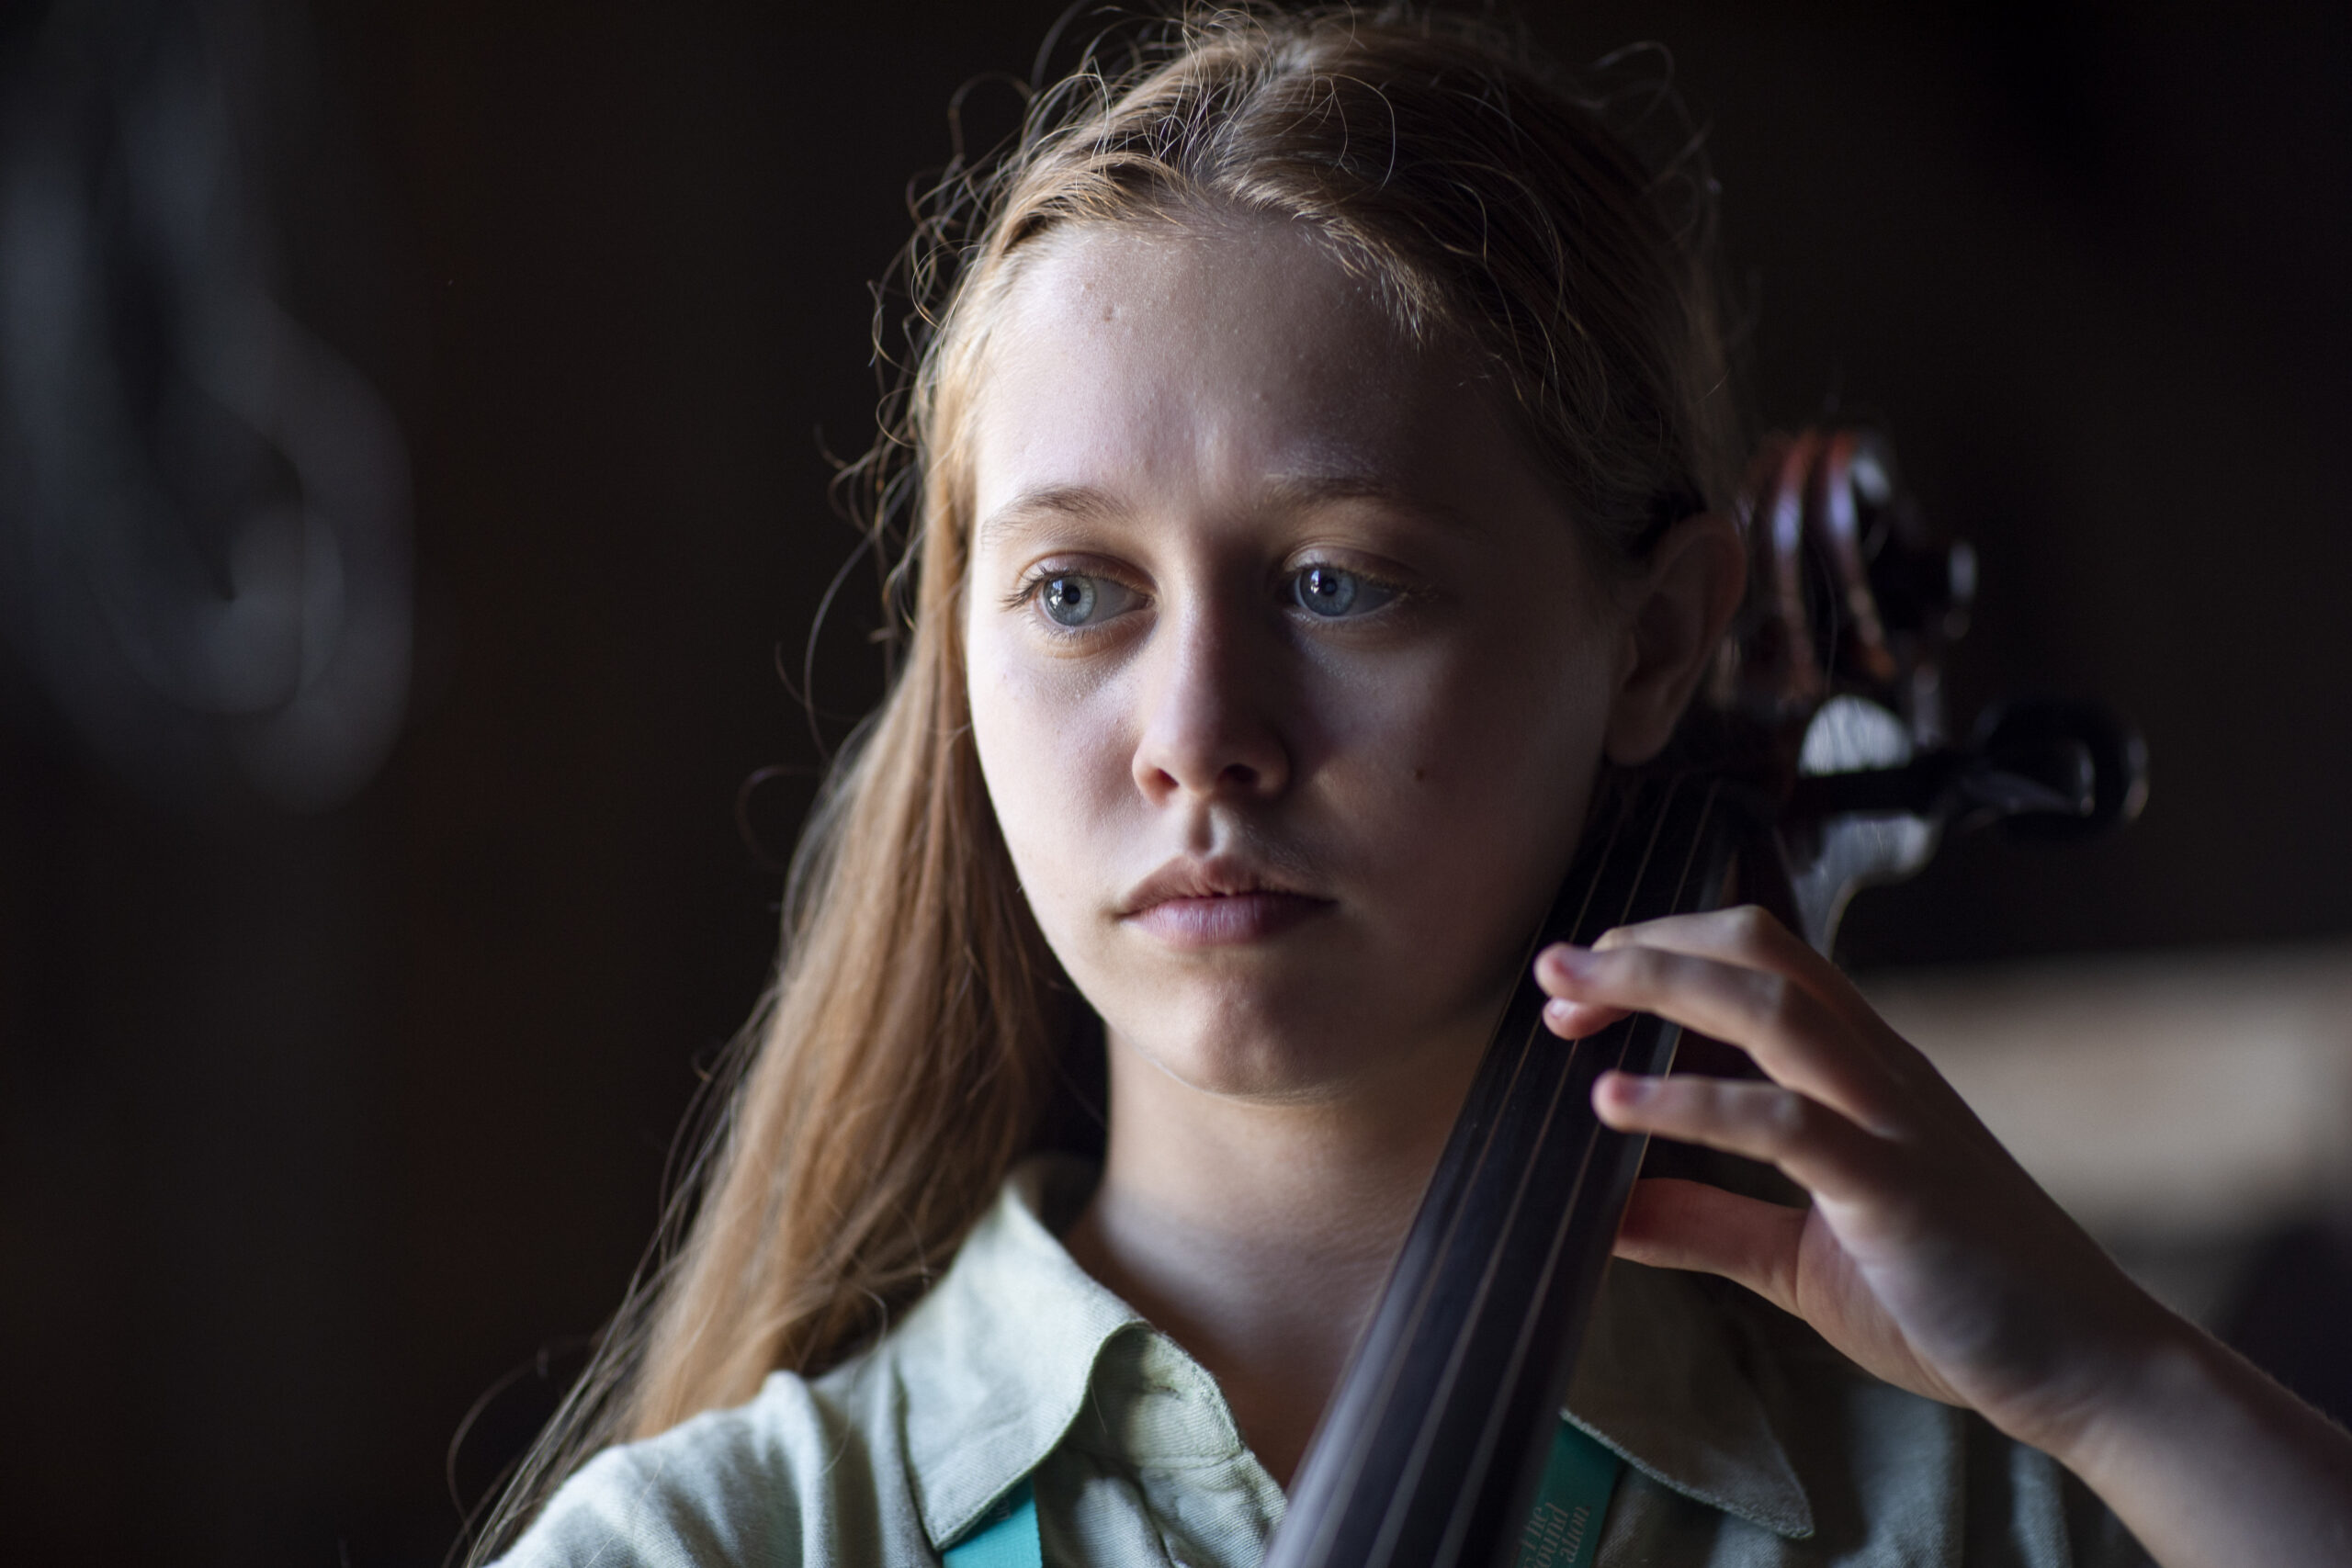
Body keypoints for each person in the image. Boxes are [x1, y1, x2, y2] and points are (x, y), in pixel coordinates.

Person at [478, 7, 2352, 1564]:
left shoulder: (1962, 1513)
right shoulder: (711, 1541)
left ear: (1653, 642)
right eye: (1073, 590)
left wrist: (2121, 1380)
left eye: (1335, 580)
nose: (1196, 730)